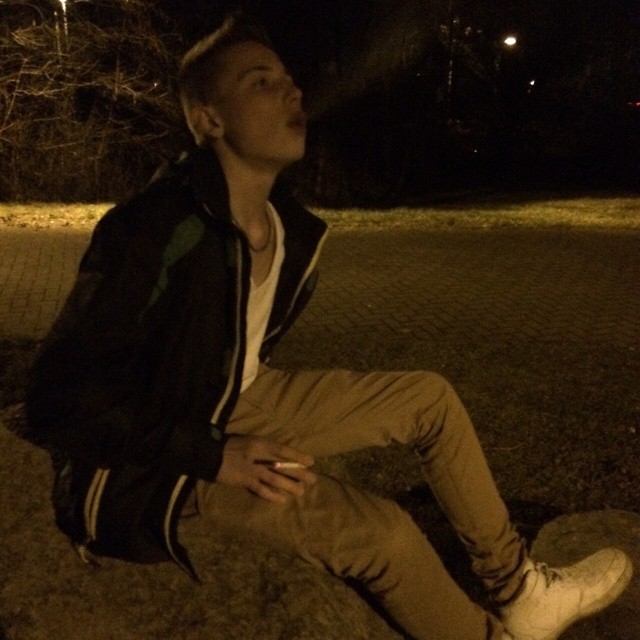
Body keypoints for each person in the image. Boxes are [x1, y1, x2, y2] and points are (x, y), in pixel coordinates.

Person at [27, 13, 632, 640]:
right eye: (261, 82)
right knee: (385, 535)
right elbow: (56, 396)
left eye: (287, 78)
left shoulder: (287, 231)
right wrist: (213, 456)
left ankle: (520, 591)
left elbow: (227, 353)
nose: (291, 91)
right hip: (151, 464)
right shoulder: (156, 228)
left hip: (234, 400)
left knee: (430, 400)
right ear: (209, 120)